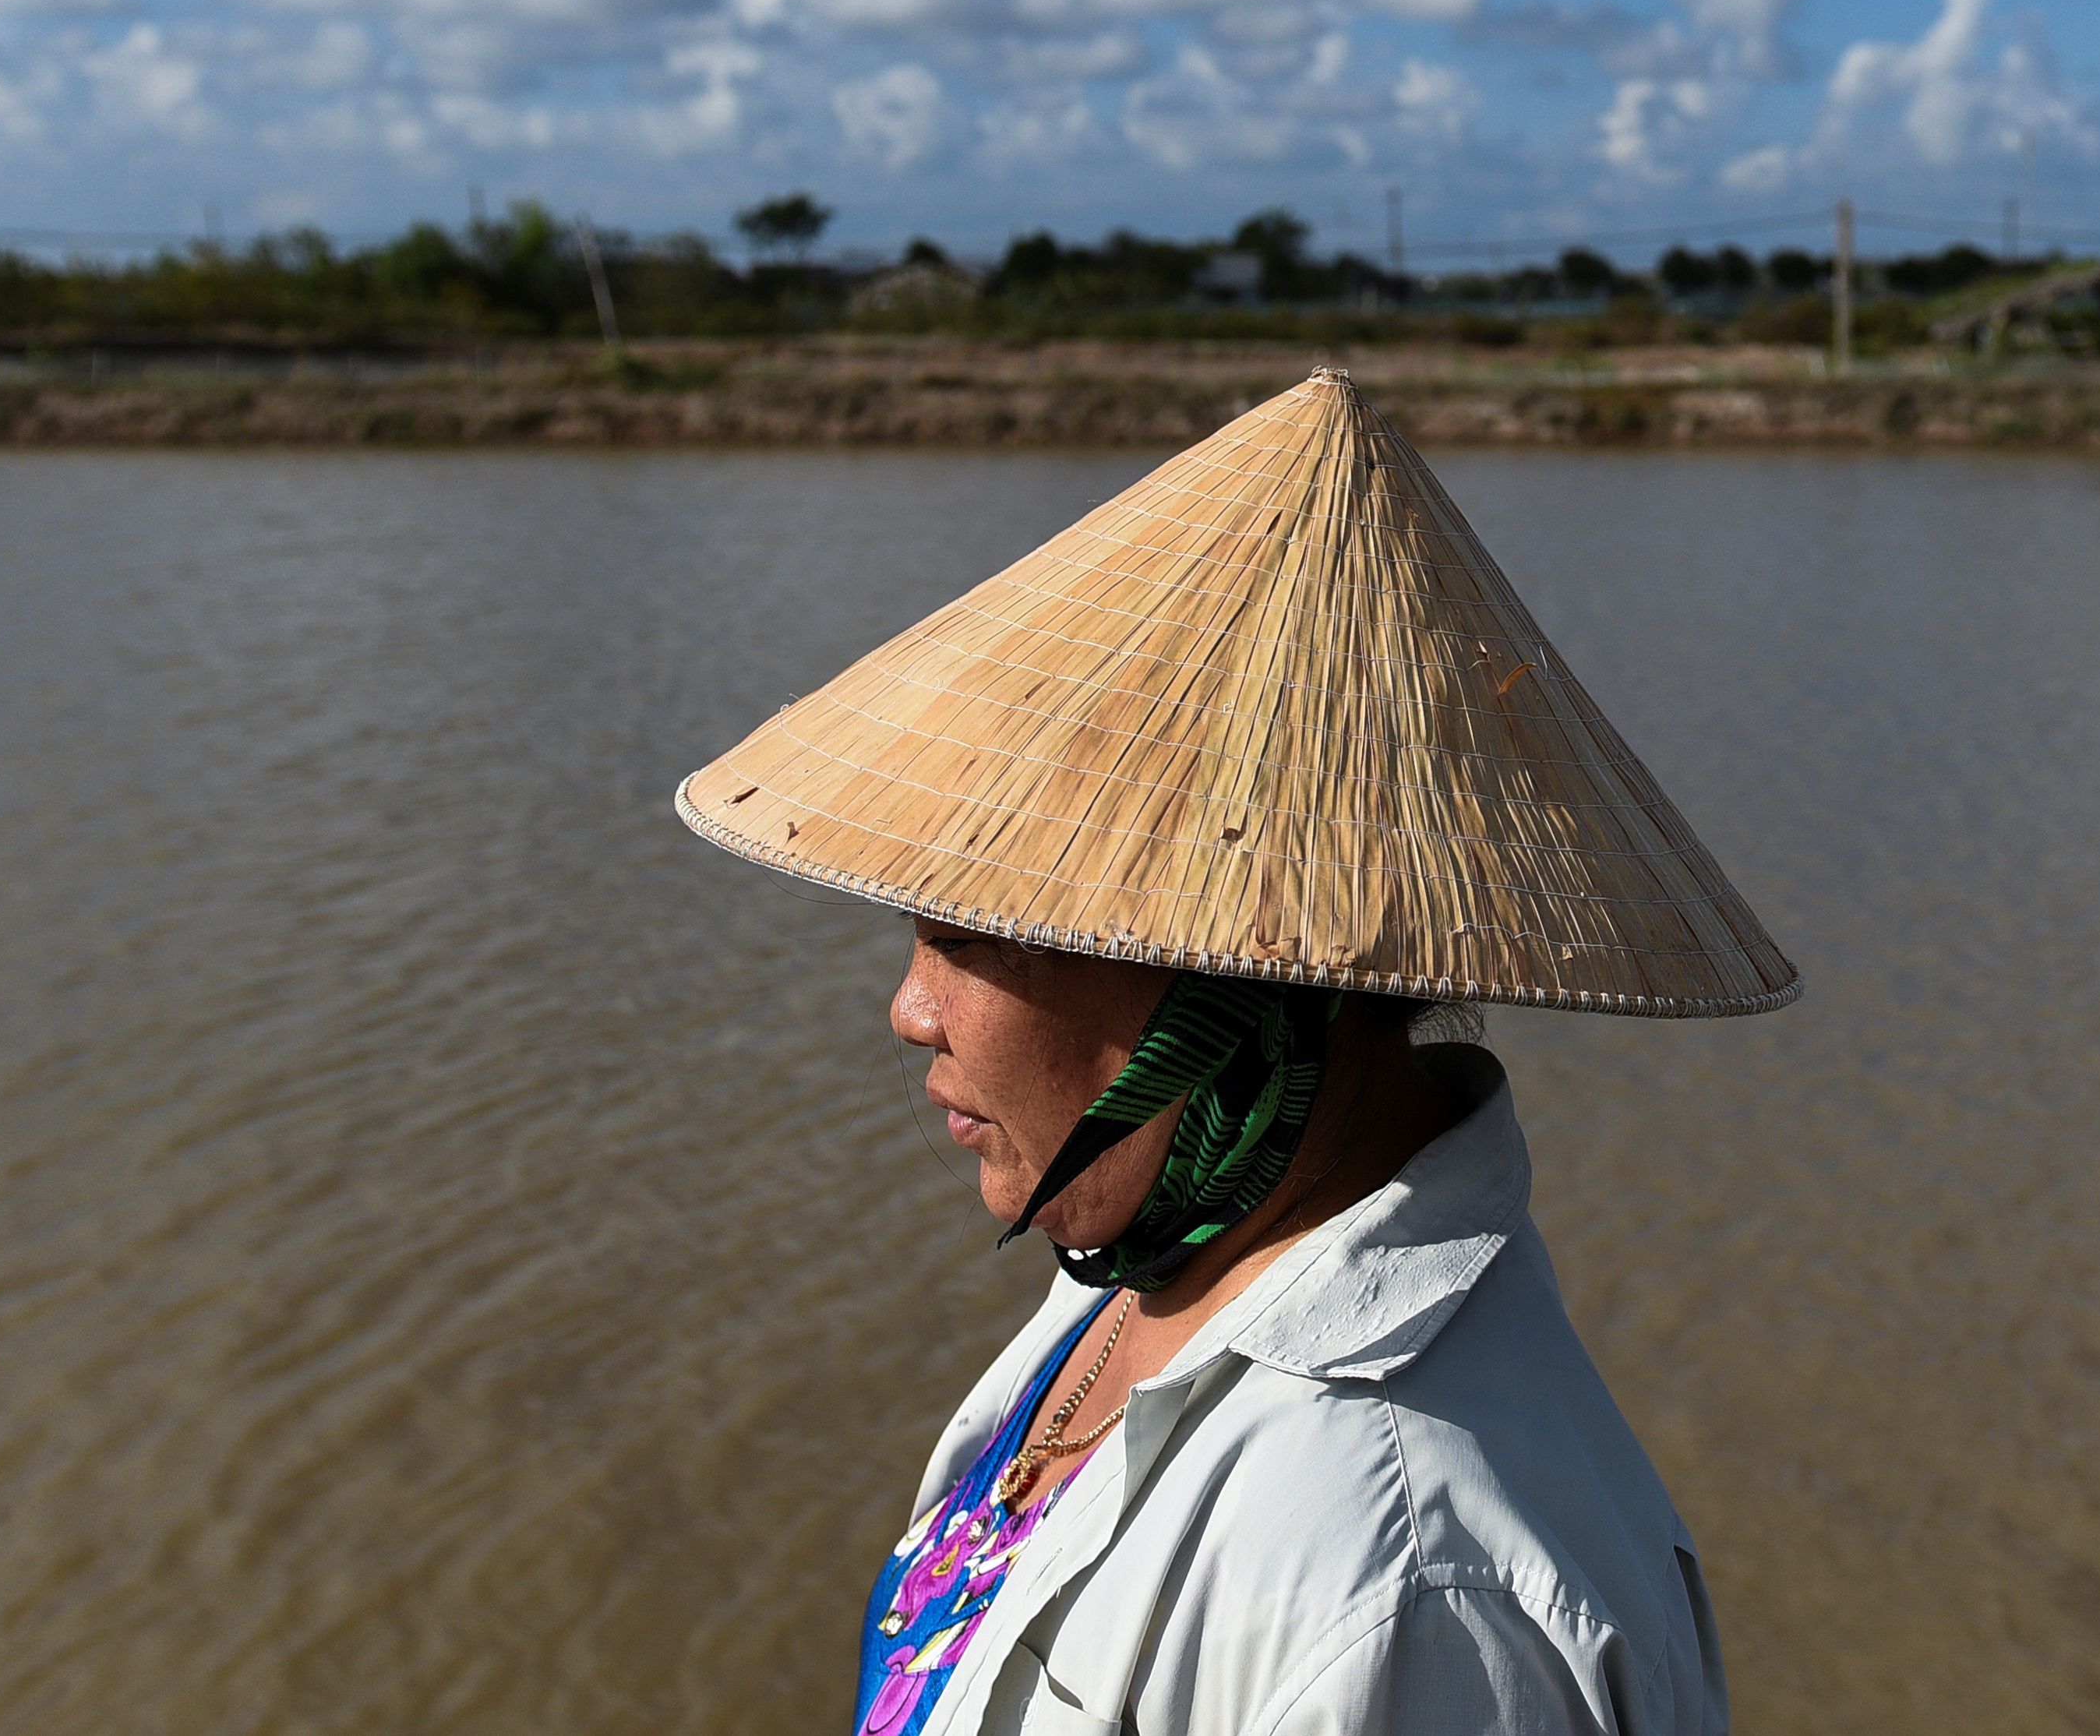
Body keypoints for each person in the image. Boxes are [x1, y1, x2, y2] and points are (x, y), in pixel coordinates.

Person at [677, 369, 1798, 1736]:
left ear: (1239, 986)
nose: (912, 1011)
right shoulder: (1151, 1276)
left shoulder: (1404, 1585)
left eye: (976, 939)